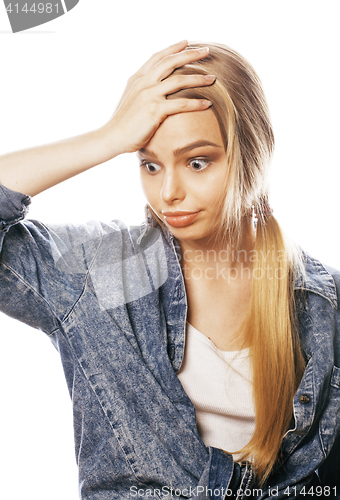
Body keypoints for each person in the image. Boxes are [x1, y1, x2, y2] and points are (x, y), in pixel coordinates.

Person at [0, 40, 339, 499]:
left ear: (253, 158)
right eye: (150, 164)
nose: (169, 193)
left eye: (197, 162)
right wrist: (109, 137)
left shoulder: (325, 306)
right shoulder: (95, 276)